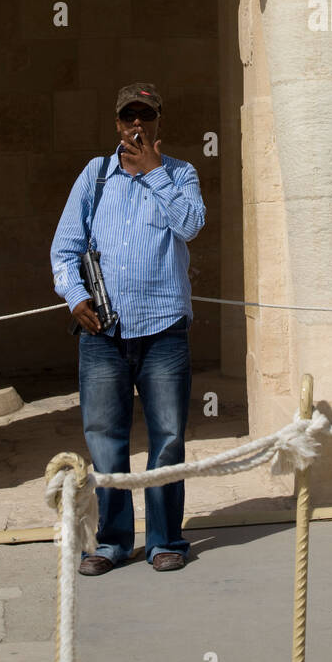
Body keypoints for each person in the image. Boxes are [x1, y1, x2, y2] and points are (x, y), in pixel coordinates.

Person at [50, 83, 206, 575]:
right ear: (117, 123)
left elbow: (191, 225)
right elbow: (64, 249)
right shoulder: (94, 176)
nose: (137, 124)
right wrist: (75, 297)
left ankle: (165, 541)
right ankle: (113, 542)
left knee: (165, 440)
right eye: (128, 116)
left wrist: (154, 174)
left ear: (159, 123)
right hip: (103, 335)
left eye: (146, 115)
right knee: (105, 439)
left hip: (163, 331)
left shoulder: (180, 173)